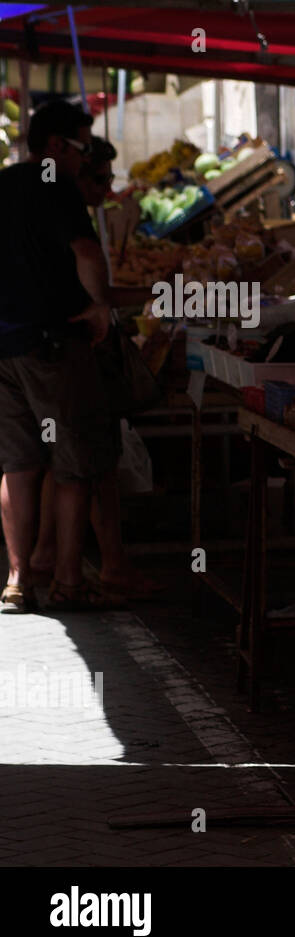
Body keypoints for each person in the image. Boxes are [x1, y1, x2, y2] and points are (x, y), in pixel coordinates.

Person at [0, 102, 120, 613]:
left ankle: (18, 580)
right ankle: (68, 581)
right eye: (82, 148)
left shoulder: (2, 184)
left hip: (4, 347)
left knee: (19, 466)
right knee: (72, 465)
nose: (84, 159)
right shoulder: (56, 185)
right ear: (55, 146)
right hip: (53, 343)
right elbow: (87, 254)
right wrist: (99, 309)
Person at [28, 136, 160, 600]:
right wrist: (117, 304)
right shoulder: (66, 218)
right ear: (75, 171)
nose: (106, 189)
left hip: (42, 352)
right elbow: (95, 293)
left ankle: (46, 563)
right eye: (98, 178)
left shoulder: (55, 213)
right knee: (86, 461)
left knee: (60, 460)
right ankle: (78, 569)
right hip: (65, 353)